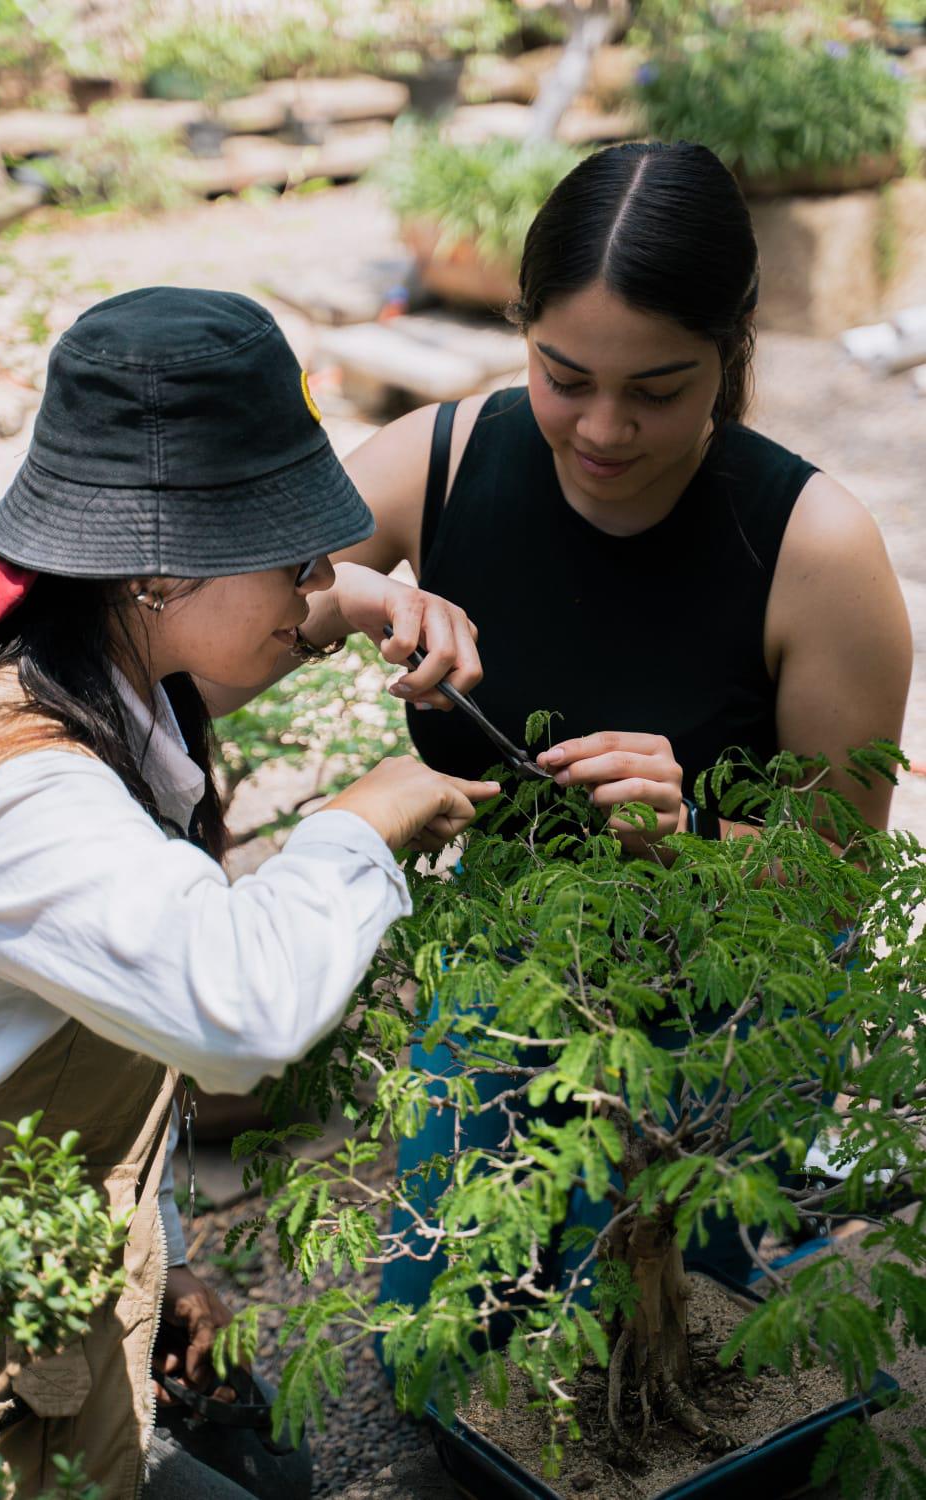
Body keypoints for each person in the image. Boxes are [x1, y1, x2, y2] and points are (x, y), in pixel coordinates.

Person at [0, 287, 498, 1500]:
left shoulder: (51, 645)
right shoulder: (24, 804)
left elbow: (227, 638)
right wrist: (368, 815)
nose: (314, 591)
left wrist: (360, 600)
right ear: (154, 575)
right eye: (294, 559)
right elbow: (239, 1008)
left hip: (31, 1277)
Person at [335, 141, 913, 1309]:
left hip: (727, 1002)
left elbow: (838, 884)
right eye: (562, 376)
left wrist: (692, 833)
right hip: (510, 967)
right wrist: (367, 594)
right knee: (448, 1324)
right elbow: (236, 607)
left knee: (665, 1331)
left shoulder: (815, 552)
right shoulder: (440, 462)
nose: (601, 429)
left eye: (657, 390)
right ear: (523, 331)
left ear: (729, 351)